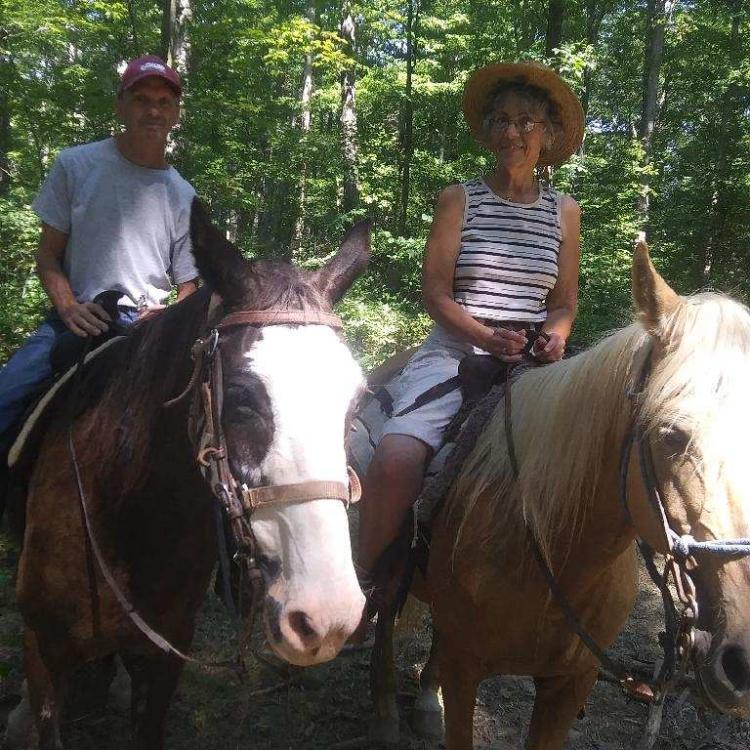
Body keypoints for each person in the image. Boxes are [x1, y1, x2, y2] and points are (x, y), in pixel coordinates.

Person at [356, 61, 584, 603]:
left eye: (527, 121)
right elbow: (435, 294)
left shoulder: (565, 212)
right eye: (502, 120)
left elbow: (564, 301)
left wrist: (556, 334)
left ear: (548, 135)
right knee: (396, 458)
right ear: (487, 132)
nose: (513, 132)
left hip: (530, 362)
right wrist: (484, 335)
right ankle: (365, 586)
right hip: (456, 351)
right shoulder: (460, 199)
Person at [0, 55, 199, 453]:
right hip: (76, 319)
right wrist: (69, 306)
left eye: (164, 101)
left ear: (176, 113)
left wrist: (170, 317)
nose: (153, 110)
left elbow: (188, 285)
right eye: (141, 99)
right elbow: (47, 257)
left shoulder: (182, 194)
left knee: (207, 422)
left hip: (148, 327)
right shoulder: (76, 166)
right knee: (5, 400)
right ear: (121, 105)